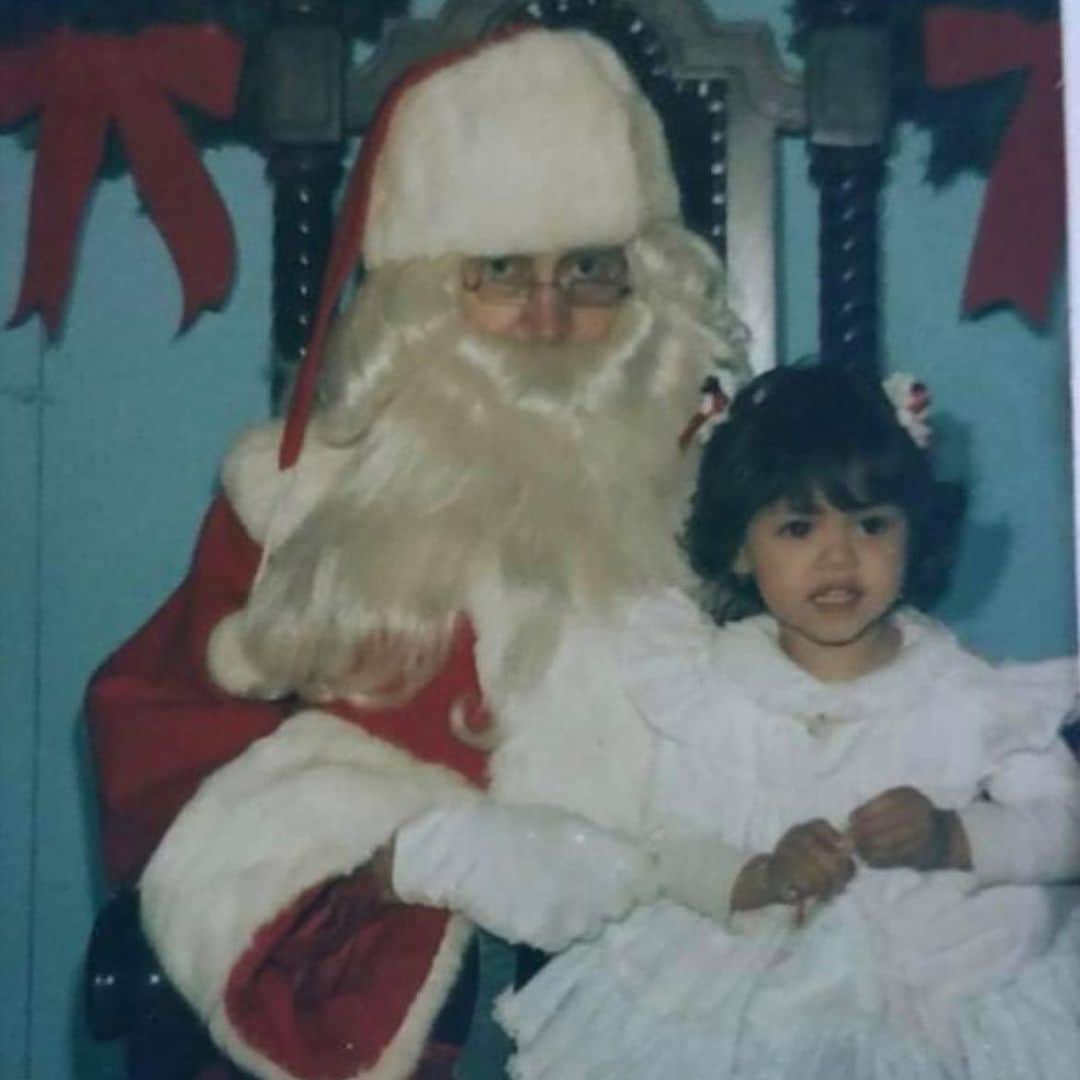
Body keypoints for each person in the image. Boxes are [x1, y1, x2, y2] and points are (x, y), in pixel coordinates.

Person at [84, 26, 749, 1080]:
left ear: (649, 288)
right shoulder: (297, 501)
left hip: (689, 954)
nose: (545, 315)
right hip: (404, 966)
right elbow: (155, 740)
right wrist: (402, 852)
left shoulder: (737, 494)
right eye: (499, 272)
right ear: (420, 297)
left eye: (589, 271)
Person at [497, 364, 1080, 1079]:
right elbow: (674, 846)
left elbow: (1067, 826)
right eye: (798, 527)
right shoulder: (713, 688)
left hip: (937, 974)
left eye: (870, 524)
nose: (838, 555)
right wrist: (763, 875)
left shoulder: (967, 691)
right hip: (752, 968)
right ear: (743, 549)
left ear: (913, 534)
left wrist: (952, 836)